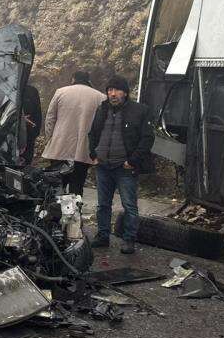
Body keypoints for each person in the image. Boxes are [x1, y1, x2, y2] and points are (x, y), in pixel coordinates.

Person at [88, 75, 155, 254]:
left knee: (129, 205)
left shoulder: (140, 110)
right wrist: (93, 154)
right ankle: (102, 236)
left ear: (125, 92)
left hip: (125, 167)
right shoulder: (101, 109)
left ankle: (129, 240)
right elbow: (93, 133)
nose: (112, 94)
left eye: (116, 90)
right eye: (109, 90)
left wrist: (132, 161)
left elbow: (147, 138)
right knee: (103, 204)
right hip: (103, 165)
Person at [41, 70, 106, 195]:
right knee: (77, 184)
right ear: (89, 80)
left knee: (57, 183)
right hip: (84, 148)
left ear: (73, 79)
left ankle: (55, 211)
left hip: (60, 146)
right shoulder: (100, 97)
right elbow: (100, 126)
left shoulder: (61, 92)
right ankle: (75, 211)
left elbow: (50, 118)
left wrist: (50, 138)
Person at [20, 82, 42, 165]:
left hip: (29, 130)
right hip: (13, 131)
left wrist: (36, 130)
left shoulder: (32, 91)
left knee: (27, 158)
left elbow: (37, 112)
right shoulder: (10, 92)